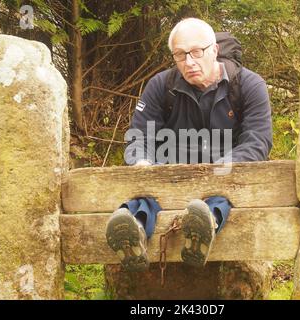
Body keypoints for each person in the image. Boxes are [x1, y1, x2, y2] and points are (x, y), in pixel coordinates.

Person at [105, 18, 272, 272]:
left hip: (224, 176)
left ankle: (205, 228)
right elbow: (139, 136)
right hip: (171, 175)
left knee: (220, 197)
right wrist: (143, 164)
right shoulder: (161, 86)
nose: (189, 62)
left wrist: (217, 171)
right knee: (147, 190)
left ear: (214, 50)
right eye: (181, 55)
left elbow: (257, 140)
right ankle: (133, 230)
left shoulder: (249, 85)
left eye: (196, 52)